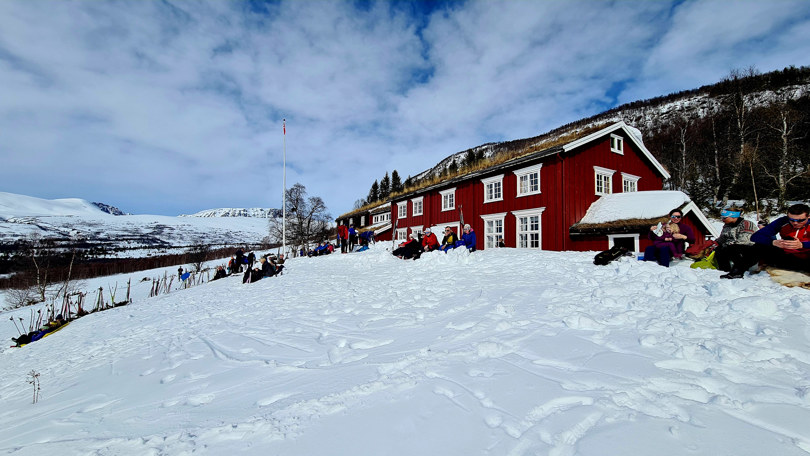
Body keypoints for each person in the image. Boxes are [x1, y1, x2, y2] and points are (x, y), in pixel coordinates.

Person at [734, 203, 810, 276]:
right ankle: (738, 271)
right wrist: (773, 242)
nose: (795, 223)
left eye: (800, 220)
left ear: (808, 217)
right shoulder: (783, 221)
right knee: (759, 246)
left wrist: (802, 245)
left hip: (806, 258)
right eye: (792, 220)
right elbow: (755, 236)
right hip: (786, 257)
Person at [710, 207, 757, 277]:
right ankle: (725, 269)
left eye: (725, 218)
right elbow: (722, 238)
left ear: (733, 217)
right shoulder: (727, 226)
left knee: (732, 248)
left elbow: (745, 240)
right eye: (722, 217)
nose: (722, 220)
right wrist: (713, 243)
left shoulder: (747, 224)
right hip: (732, 246)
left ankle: (738, 270)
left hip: (749, 247)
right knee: (719, 249)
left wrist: (727, 244)